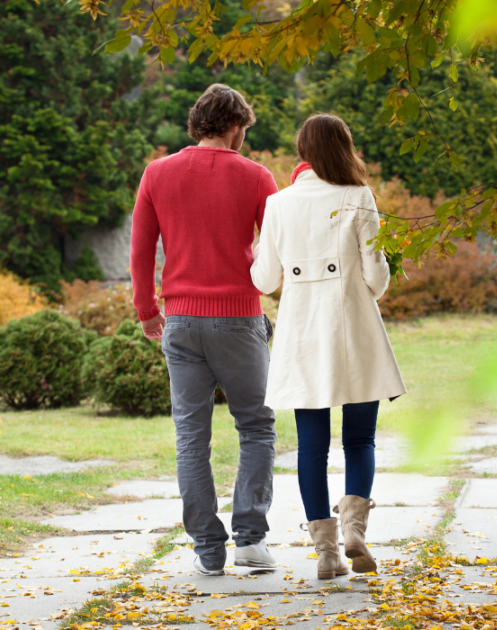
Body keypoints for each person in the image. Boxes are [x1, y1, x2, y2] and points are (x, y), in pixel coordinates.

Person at [130, 84, 280, 576]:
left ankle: (207, 550)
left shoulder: (157, 173)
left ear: (198, 124)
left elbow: (141, 249)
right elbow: (275, 251)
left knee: (191, 436)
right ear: (236, 126)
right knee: (255, 426)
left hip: (180, 320)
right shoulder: (257, 177)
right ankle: (251, 540)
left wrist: (147, 309)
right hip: (238, 318)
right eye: (244, 131)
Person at [249, 113, 407, 579]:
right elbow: (377, 280)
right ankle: (355, 530)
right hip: (353, 328)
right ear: (345, 148)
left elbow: (263, 280)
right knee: (360, 439)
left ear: (303, 151)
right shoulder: (359, 197)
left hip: (302, 334)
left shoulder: (278, 204)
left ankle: (326, 553)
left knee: (311, 448)